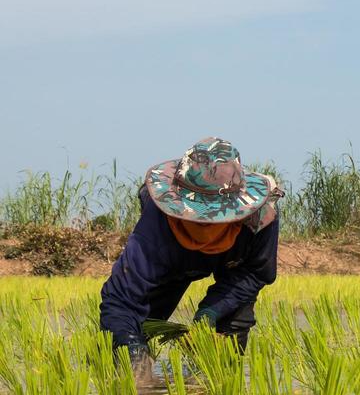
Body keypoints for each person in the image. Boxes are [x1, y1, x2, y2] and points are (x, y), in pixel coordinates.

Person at [100, 137, 283, 360]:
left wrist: (210, 313)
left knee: (229, 335)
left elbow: (255, 272)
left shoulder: (260, 219)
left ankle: (217, 383)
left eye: (210, 219)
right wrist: (134, 357)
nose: (202, 225)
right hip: (172, 260)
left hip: (234, 262)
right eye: (195, 217)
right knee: (135, 331)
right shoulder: (158, 221)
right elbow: (121, 299)